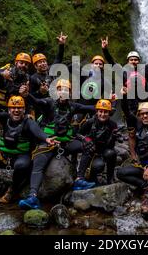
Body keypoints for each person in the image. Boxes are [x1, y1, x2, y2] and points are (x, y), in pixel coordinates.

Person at [18, 79, 96, 209]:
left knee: (88, 146)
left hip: (65, 144)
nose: (63, 92)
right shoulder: (49, 102)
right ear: (57, 91)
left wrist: (109, 102)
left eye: (67, 90)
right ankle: (32, 197)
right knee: (38, 163)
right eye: (61, 90)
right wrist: (27, 95)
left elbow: (91, 108)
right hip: (49, 142)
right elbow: (37, 102)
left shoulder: (73, 106)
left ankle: (79, 180)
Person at [101, 34, 148, 163]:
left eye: (136, 59)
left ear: (139, 61)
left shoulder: (145, 70)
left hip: (144, 106)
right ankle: (134, 155)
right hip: (130, 107)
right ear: (128, 61)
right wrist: (105, 49)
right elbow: (111, 63)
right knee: (131, 133)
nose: (134, 61)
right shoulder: (123, 72)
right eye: (131, 59)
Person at [73, 99, 119, 190]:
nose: (102, 114)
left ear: (109, 113)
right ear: (97, 112)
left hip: (104, 150)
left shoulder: (113, 125)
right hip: (91, 150)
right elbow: (77, 134)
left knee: (112, 153)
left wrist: (113, 137)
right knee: (97, 165)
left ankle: (110, 178)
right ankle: (80, 177)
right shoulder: (90, 122)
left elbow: (111, 146)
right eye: (100, 111)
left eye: (105, 112)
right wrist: (85, 139)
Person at [29, 32, 67, 101]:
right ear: (35, 66)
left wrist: (61, 44)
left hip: (56, 101)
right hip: (43, 104)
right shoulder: (33, 78)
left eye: (44, 61)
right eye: (40, 62)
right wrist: (40, 92)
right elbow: (31, 96)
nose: (43, 63)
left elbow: (58, 59)